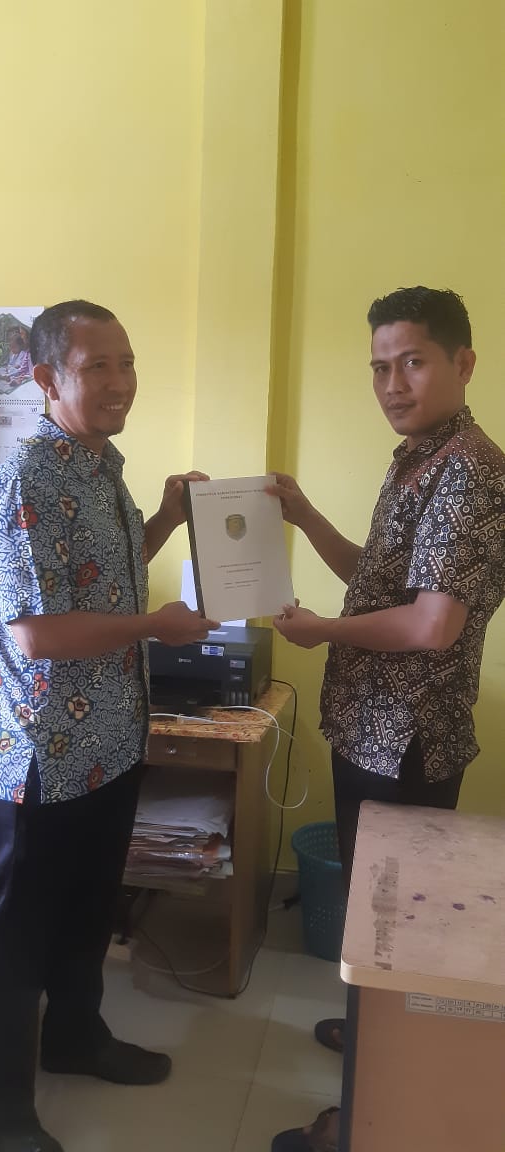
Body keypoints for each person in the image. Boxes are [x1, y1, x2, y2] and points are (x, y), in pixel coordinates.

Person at [0, 300, 219, 1152]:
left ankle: (77, 1039)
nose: (120, 382)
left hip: (110, 742)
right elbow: (38, 634)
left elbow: (102, 582)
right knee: (16, 936)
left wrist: (166, 519)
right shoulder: (26, 483)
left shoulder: (100, 466)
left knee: (86, 916)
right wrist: (157, 626)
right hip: (40, 757)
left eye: (128, 362)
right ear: (47, 378)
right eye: (97, 367)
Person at [270, 285, 505, 1152]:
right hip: (372, 727)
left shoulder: (468, 470)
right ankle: (371, 1033)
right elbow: (377, 581)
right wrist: (304, 517)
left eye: (412, 362)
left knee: (397, 930)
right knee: (380, 923)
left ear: (462, 363)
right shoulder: (416, 458)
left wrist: (320, 632)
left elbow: (432, 624)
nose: (393, 385)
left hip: (407, 738)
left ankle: (363, 1121)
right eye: (379, 367)